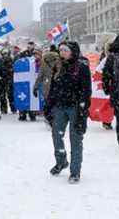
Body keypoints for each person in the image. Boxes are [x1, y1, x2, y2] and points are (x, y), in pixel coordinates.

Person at [47, 41, 91, 184]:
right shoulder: (57, 66)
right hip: (60, 107)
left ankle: (75, 171)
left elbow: (86, 90)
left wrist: (83, 110)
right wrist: (49, 105)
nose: (62, 53)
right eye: (61, 50)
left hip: (76, 108)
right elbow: (53, 88)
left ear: (72, 52)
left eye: (65, 50)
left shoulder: (82, 67)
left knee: (75, 139)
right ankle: (61, 161)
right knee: (56, 135)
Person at [34, 45, 60, 126]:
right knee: (57, 103)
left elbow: (40, 75)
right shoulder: (60, 59)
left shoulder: (44, 60)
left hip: (47, 85)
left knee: (48, 103)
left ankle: (49, 119)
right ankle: (56, 119)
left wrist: (35, 87)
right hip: (58, 85)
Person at [0, 48, 14, 118]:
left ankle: (12, 108)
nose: (5, 55)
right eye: (4, 53)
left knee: (9, 95)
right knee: (3, 96)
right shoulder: (0, 61)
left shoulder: (10, 60)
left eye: (6, 53)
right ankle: (4, 109)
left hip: (7, 79)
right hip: (3, 80)